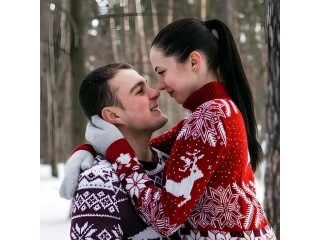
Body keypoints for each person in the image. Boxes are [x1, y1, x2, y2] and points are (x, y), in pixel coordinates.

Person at [64, 18, 277, 239]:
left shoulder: (211, 117)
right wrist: (91, 149)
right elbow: (145, 149)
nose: (159, 86)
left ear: (194, 62)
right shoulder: (214, 114)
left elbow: (164, 219)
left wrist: (117, 152)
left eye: (162, 71)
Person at [59, 63, 181, 239]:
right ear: (113, 115)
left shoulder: (171, 162)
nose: (155, 92)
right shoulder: (98, 184)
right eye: (139, 91)